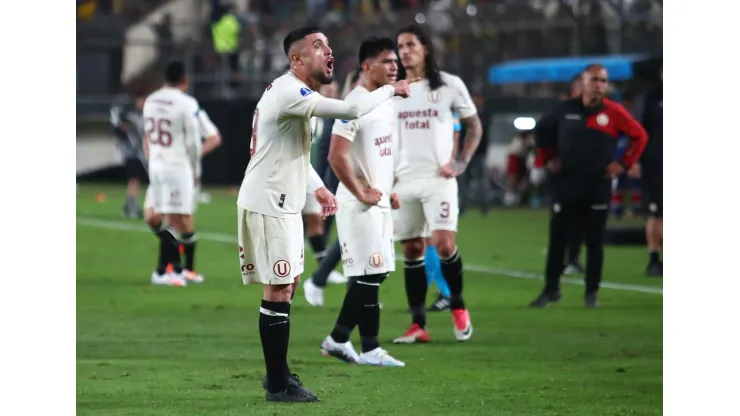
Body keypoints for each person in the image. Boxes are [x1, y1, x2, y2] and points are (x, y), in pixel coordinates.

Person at [236, 26, 413, 402]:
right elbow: (350, 108)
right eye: (318, 46)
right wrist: (389, 90)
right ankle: (279, 384)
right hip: (269, 203)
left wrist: (316, 185)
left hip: (281, 201)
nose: (328, 50)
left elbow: (291, 150)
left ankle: (277, 377)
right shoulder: (290, 91)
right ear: (296, 59)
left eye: (329, 44)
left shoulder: (295, 94)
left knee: (287, 287)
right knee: (279, 289)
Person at [391, 25, 482, 344]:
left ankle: (457, 304)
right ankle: (419, 324)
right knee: (412, 249)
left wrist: (460, 162)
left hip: (438, 179)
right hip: (402, 180)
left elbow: (474, 126)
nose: (404, 51)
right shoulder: (392, 89)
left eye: (411, 44)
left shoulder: (449, 85)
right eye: (400, 46)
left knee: (443, 244)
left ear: (426, 48)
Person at [318, 36, 406, 367]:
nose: (395, 66)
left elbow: (378, 153)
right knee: (370, 274)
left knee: (376, 274)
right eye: (387, 61)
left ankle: (355, 344)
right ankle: (349, 342)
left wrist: (389, 186)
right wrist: (361, 192)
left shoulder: (385, 101)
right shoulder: (353, 103)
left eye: (396, 61)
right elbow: (335, 155)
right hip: (358, 205)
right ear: (367, 67)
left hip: (379, 200)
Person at [529, 64, 648, 308]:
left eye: (604, 81)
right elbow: (541, 131)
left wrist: (623, 164)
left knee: (595, 242)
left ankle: (591, 293)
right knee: (558, 240)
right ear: (583, 82)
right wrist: (548, 157)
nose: (599, 85)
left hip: (598, 185)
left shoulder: (614, 113)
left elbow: (640, 136)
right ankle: (551, 290)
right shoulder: (563, 110)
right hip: (566, 184)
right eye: (595, 80)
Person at [140, 62, 205, 287]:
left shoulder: (150, 101)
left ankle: (174, 269)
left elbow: (147, 136)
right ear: (184, 80)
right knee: (175, 220)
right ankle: (164, 270)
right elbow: (194, 143)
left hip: (156, 165)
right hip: (177, 166)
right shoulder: (187, 104)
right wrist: (195, 169)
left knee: (161, 218)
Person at [142, 105, 222, 285]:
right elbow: (147, 135)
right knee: (152, 217)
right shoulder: (160, 112)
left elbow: (214, 138)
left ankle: (173, 269)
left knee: (180, 222)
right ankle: (173, 268)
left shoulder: (194, 112)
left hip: (185, 175)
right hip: (162, 173)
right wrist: (151, 156)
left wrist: (191, 157)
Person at [303, 69, 364, 306]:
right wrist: (324, 185)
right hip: (343, 184)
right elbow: (328, 151)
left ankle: (322, 279)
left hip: (361, 184)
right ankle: (320, 278)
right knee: (353, 238)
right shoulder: (342, 112)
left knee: (357, 240)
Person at [630, 66, 663, 277]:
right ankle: (654, 258)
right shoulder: (651, 99)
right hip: (655, 163)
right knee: (657, 212)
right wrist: (634, 160)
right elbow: (636, 131)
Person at [110, 92, 147, 219]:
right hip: (131, 152)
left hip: (139, 153)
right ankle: (132, 208)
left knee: (136, 181)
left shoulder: (141, 115)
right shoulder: (130, 116)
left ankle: (128, 206)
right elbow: (119, 127)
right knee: (134, 181)